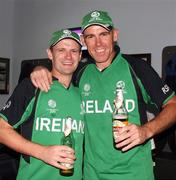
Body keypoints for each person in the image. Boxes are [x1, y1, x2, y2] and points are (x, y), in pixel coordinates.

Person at [30, 10, 176, 180]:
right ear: (84, 41)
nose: (98, 43)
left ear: (114, 35)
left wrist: (146, 130)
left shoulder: (137, 68)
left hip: (134, 173)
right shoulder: (80, 72)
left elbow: (173, 105)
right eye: (91, 37)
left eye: (103, 34)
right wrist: (38, 69)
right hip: (92, 174)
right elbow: (59, 73)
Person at [0, 29, 84, 180]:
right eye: (61, 50)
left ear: (80, 56)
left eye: (73, 51)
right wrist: (42, 152)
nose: (68, 56)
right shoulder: (32, 86)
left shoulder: (84, 93)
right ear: (50, 54)